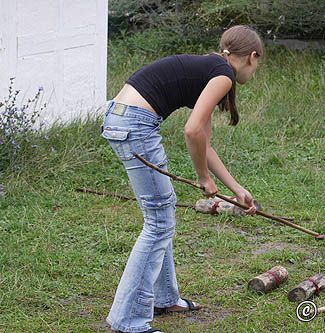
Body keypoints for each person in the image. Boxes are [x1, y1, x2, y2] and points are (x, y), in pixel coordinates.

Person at [101, 25, 264, 333]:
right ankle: (127, 321)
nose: (254, 72)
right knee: (159, 221)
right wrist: (203, 178)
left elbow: (204, 140)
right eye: (258, 65)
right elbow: (191, 130)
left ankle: (164, 299)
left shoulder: (212, 69)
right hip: (135, 124)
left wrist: (237, 189)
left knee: (161, 215)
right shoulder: (223, 75)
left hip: (119, 116)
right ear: (252, 57)